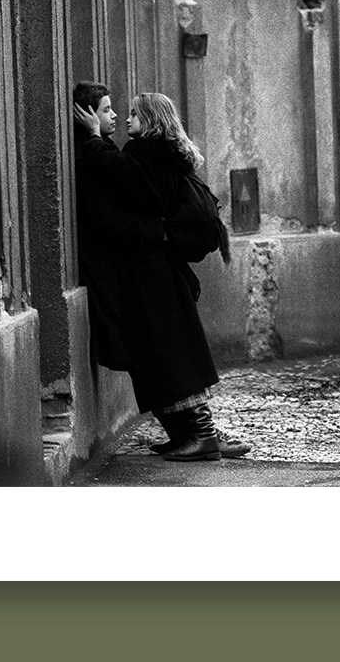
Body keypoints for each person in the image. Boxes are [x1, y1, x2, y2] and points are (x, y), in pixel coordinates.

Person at [72, 84, 249, 461]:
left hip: (154, 271)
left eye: (132, 115)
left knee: (171, 353)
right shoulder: (165, 154)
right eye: (110, 111)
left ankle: (201, 436)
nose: (123, 118)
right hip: (157, 268)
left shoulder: (145, 156)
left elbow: (120, 175)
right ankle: (196, 435)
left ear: (149, 122)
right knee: (166, 352)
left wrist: (91, 139)